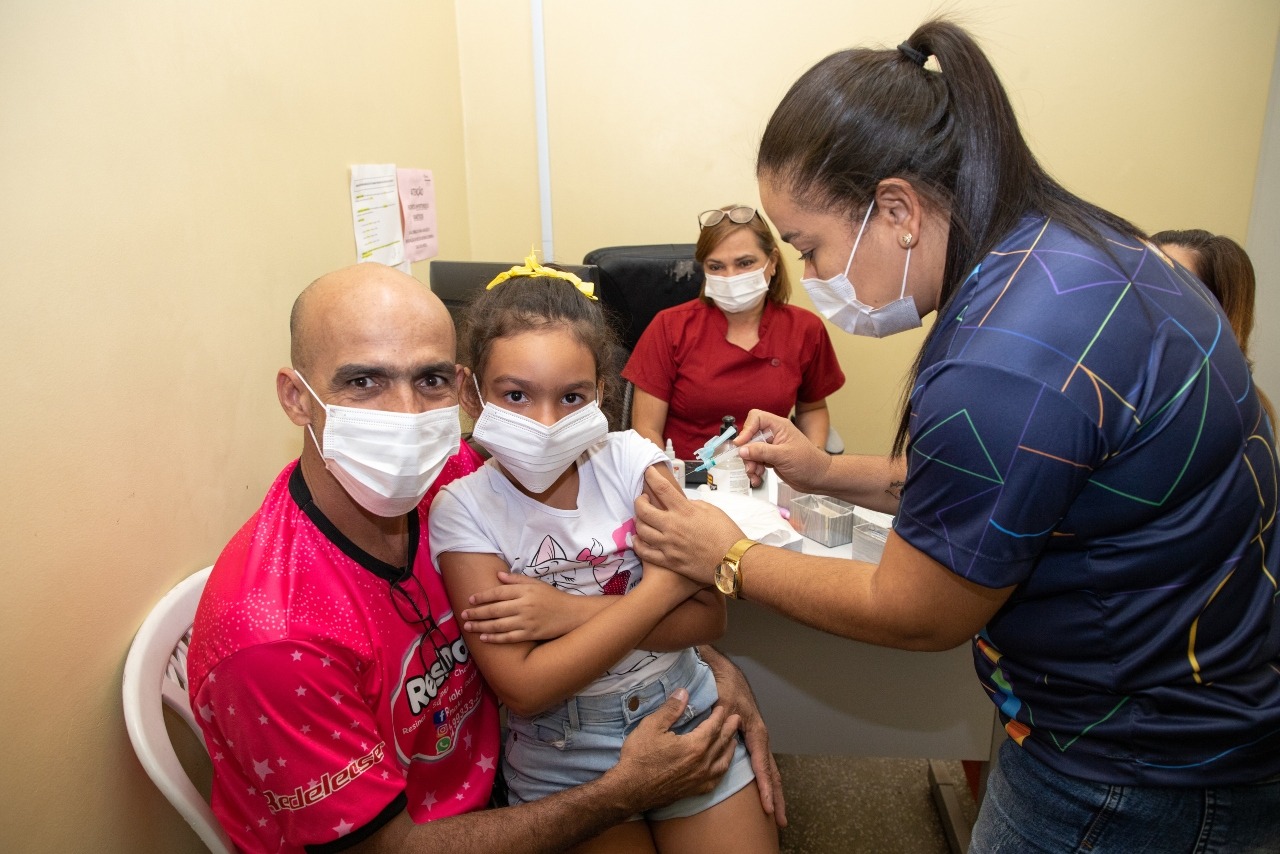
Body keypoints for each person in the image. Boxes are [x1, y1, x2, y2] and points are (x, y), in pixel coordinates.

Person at [631, 19, 1280, 853]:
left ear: (895, 209)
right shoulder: (1078, 250)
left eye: (810, 248)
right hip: (1197, 709)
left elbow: (914, 612)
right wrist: (821, 473)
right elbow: (1020, 486)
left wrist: (730, 556)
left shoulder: (1009, 356)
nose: (817, 279)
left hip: (1132, 766)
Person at [186, 262, 780, 854]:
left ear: (459, 387)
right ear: (297, 397)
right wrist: (622, 794)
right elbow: (388, 850)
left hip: (516, 773)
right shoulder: (273, 635)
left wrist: (717, 675)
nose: (406, 416)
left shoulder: (449, 474)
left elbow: (622, 574)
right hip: (469, 825)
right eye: (363, 382)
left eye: (429, 381)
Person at [429, 255, 779, 854]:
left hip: (682, 706)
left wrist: (563, 615)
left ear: (602, 394)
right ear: (470, 392)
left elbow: (709, 619)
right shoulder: (462, 510)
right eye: (515, 395)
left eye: (571, 397)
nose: (545, 422)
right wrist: (666, 588)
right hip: (560, 754)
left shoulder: (633, 464)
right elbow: (526, 687)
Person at [623, 204, 845, 460]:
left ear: (772, 262)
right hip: (688, 479)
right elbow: (646, 429)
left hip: (770, 478)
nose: (730, 276)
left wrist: (812, 463)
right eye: (716, 267)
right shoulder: (669, 327)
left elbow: (812, 408)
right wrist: (667, 483)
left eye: (745, 263)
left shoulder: (805, 329)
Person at [1152, 228, 1275, 424]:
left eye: (1171, 290)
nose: (1148, 300)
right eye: (1145, 281)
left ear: (1221, 312)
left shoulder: (1222, 417)